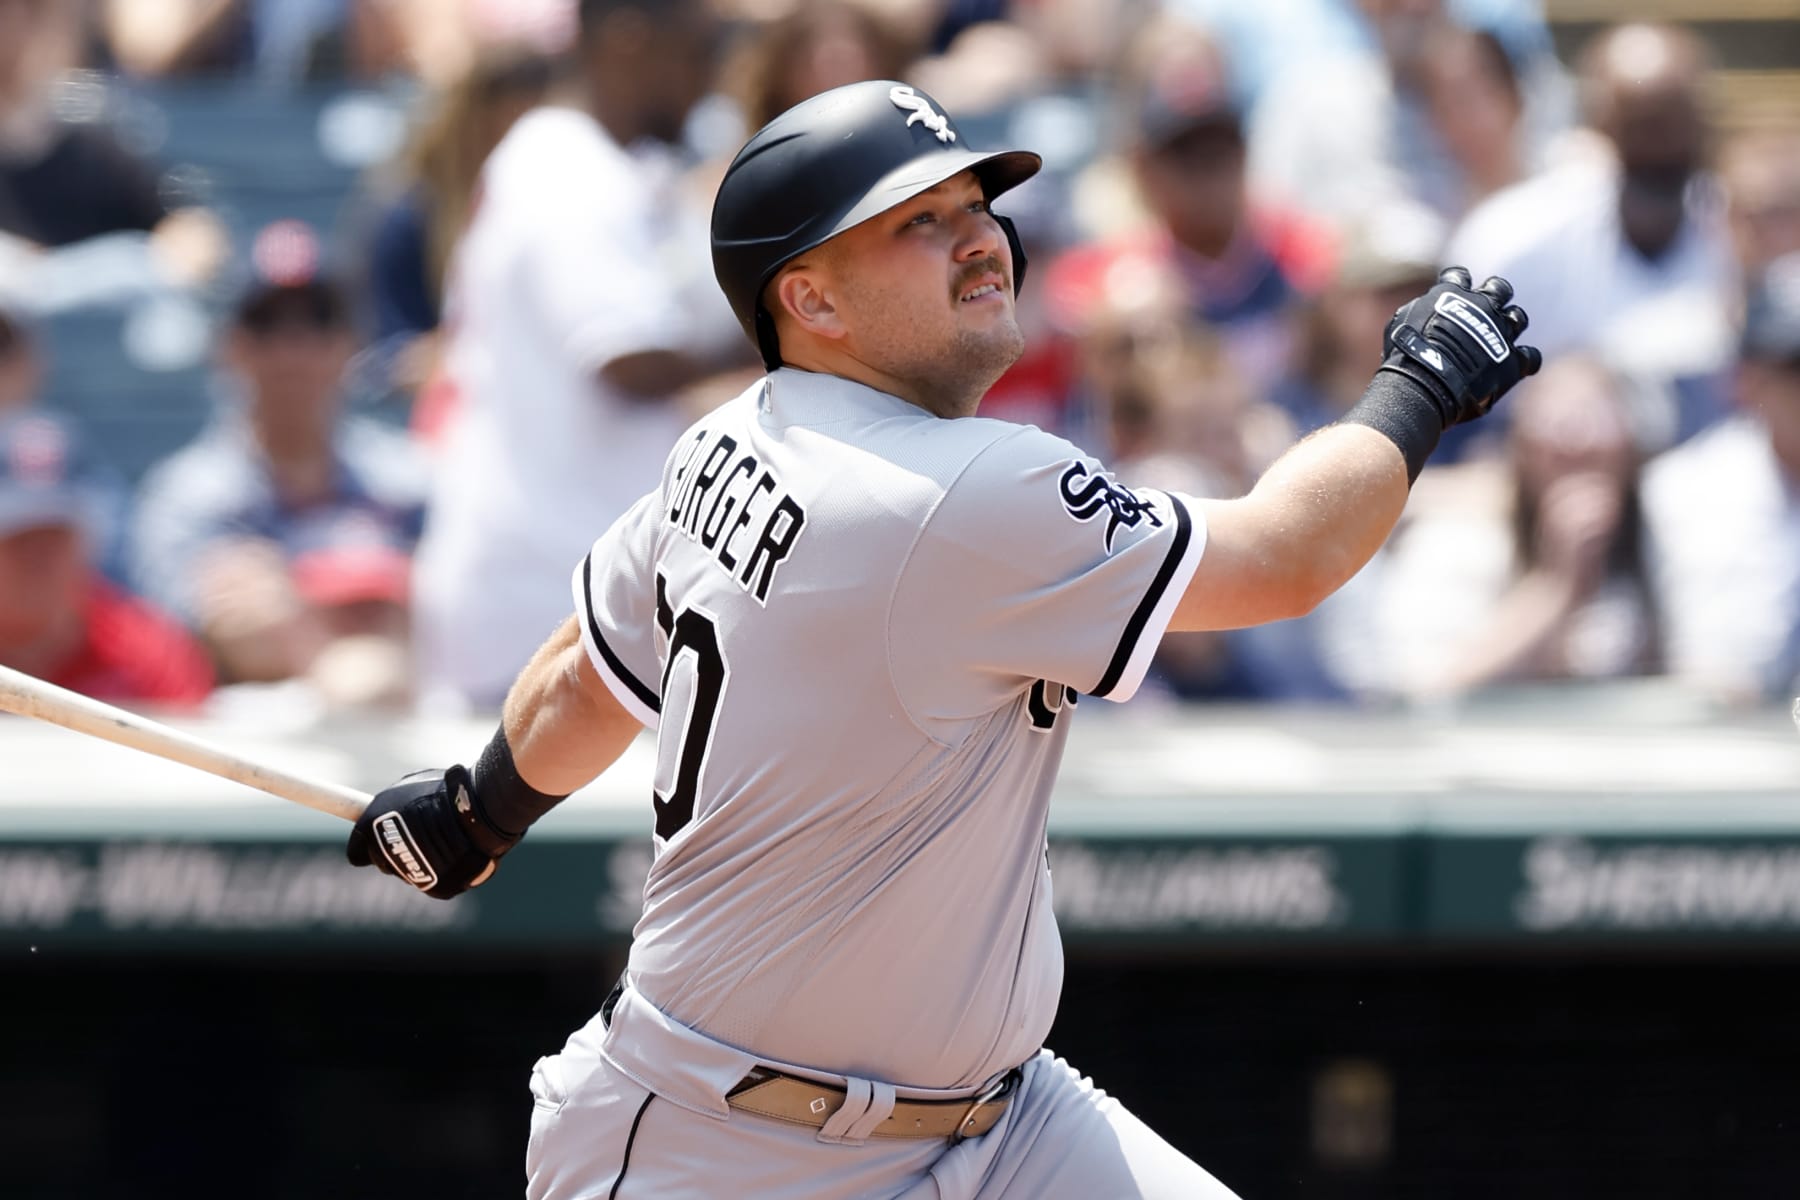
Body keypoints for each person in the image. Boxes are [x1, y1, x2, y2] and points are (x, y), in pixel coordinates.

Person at [343, 80, 1538, 1198]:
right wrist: (1418, 384)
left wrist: (478, 810)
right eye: (916, 222)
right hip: (724, 1152)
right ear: (807, 298)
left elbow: (585, 666)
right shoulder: (958, 489)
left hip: (1002, 1130)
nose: (981, 239)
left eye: (976, 205)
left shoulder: (728, 436)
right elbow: (1288, 558)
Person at [409, 0, 740, 713]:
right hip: (535, 605)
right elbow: (634, 364)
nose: (708, 80)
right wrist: (809, 319)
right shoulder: (562, 168)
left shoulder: (621, 169)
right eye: (699, 50)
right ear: (628, 38)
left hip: (580, 598)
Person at [128, 218, 427, 706]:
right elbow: (199, 638)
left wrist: (297, 610)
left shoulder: (412, 475)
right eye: (267, 325)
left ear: (349, 343)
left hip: (422, 729)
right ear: (232, 347)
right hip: (239, 754)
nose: (293, 350)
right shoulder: (183, 495)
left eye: (317, 322)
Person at [1445, 22, 1738, 451]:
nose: (1658, 146)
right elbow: (1463, 402)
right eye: (1641, 122)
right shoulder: (1514, 237)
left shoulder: (1744, 225)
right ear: (1599, 123)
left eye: (1672, 121)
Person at [1642, 252, 1800, 706]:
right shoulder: (1687, 489)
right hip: (1733, 759)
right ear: (1747, 380)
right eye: (1797, 369)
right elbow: (1726, 682)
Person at [0, 407, 213, 707]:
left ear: (87, 541)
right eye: (18, 538)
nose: (38, 559)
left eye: (55, 536)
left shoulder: (148, 652)